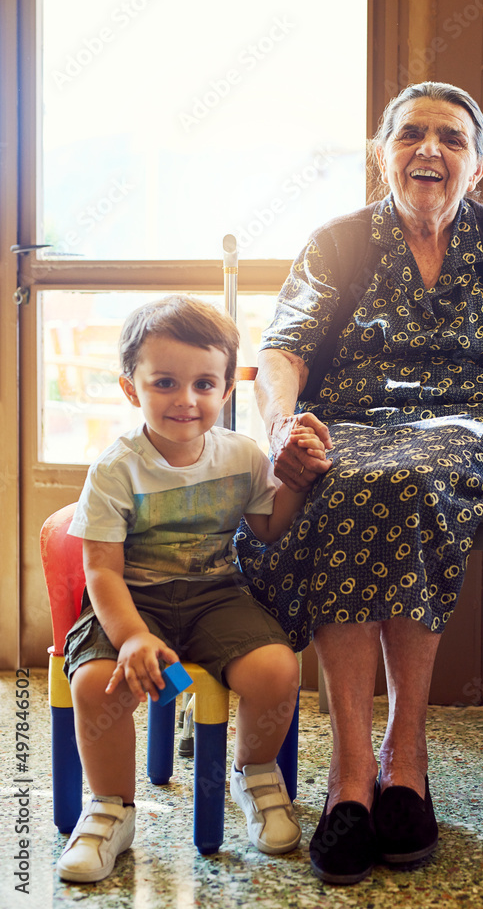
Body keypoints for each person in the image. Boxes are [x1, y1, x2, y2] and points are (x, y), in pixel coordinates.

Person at [236, 81, 483, 885]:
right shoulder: (339, 242)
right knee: (348, 477)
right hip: (356, 423)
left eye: (451, 138)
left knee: (401, 479)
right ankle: (351, 775)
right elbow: (283, 349)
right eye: (411, 134)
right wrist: (281, 428)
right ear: (383, 154)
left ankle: (402, 756)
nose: (430, 150)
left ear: (477, 166)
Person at [56, 294, 324, 884]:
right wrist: (128, 639)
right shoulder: (116, 467)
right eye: (166, 383)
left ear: (227, 390)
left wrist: (297, 480)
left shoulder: (244, 456)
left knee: (277, 668)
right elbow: (101, 569)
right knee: (100, 686)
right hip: (131, 603)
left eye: (205, 383)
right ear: (132, 389)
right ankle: (110, 809)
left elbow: (268, 527)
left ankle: (253, 775)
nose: (186, 400)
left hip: (215, 599)